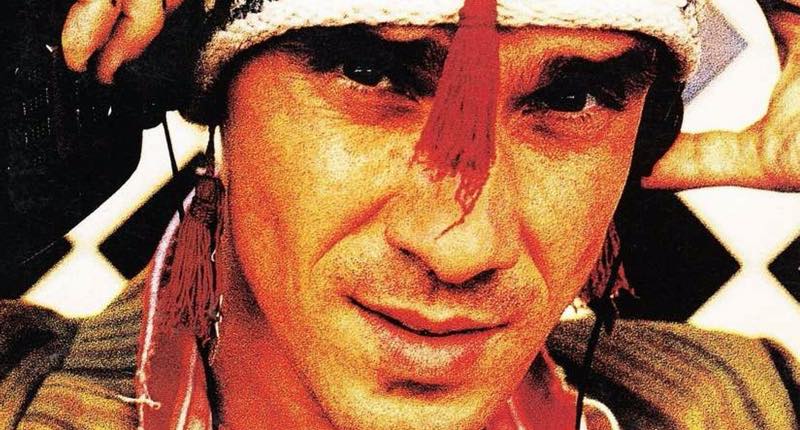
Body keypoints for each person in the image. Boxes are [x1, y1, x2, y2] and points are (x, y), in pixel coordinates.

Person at [1, 0, 799, 429]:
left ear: (648, 129)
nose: (461, 246)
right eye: (369, 73)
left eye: (569, 97)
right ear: (204, 90)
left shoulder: (750, 404)